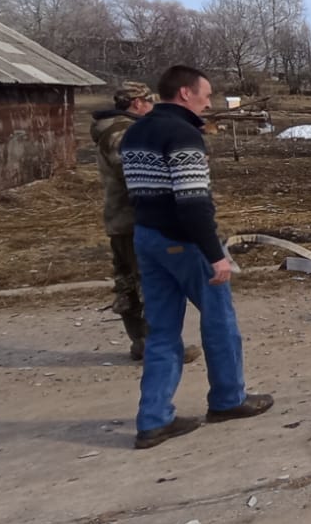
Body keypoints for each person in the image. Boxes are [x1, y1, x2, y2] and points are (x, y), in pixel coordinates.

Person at [120, 65, 273, 449]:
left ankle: (153, 420)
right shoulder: (183, 135)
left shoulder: (135, 132)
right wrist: (214, 254)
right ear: (185, 93)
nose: (209, 102)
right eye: (205, 94)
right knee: (219, 319)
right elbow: (192, 202)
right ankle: (227, 399)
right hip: (184, 241)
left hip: (147, 237)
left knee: (162, 330)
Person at [90, 81, 200, 365]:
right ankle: (156, 344)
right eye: (149, 103)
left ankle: (144, 342)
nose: (152, 109)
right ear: (138, 103)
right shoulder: (119, 132)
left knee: (130, 281)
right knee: (148, 284)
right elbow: (135, 170)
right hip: (133, 219)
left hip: (126, 219)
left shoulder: (118, 129)